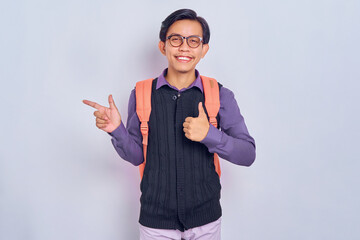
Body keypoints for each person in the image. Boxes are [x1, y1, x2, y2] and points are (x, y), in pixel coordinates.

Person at [83, 8, 255, 240]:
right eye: (176, 39)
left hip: (206, 221)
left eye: (193, 41)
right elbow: (136, 157)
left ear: (204, 50)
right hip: (156, 223)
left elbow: (248, 154)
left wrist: (210, 135)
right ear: (163, 46)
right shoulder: (142, 93)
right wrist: (117, 130)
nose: (184, 47)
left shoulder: (219, 94)